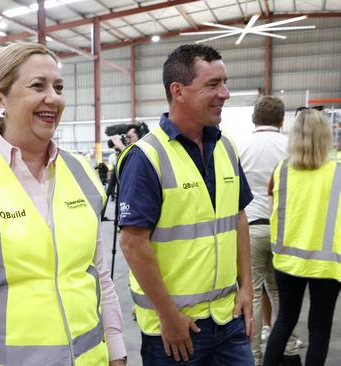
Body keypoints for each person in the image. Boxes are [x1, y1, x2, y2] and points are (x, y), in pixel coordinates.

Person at [0, 42, 127, 366]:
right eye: (38, 86)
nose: (54, 97)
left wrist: (116, 347)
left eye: (58, 87)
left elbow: (98, 273)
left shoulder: (81, 172)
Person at [116, 44, 254, 365]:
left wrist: (247, 288)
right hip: (178, 329)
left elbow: (238, 219)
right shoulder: (146, 157)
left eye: (224, 82)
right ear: (178, 91)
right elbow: (133, 244)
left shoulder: (226, 147)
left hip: (228, 319)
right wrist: (169, 316)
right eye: (213, 84)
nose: (225, 93)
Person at [263, 109, 341, 366]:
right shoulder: (338, 173)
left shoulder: (280, 170)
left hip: (288, 260)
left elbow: (273, 199)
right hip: (327, 264)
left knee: (284, 320)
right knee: (320, 330)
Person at [239, 96, 301, 365]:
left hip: (250, 228)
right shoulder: (291, 146)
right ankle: (286, 346)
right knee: (280, 293)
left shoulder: (240, 146)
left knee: (251, 293)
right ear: (281, 119)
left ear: (254, 118)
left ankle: (252, 356)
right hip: (282, 230)